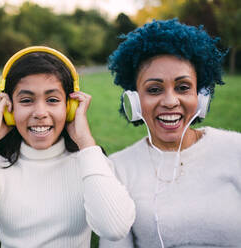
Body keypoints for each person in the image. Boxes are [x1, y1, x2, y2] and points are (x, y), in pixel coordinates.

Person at [0, 46, 135, 248]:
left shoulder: (91, 164)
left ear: (70, 108)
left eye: (52, 100)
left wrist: (86, 143)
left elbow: (115, 229)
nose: (40, 112)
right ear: (9, 109)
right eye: (26, 100)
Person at [99, 19, 241, 248]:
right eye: (154, 90)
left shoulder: (236, 150)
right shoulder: (118, 169)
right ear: (134, 101)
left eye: (183, 87)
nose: (170, 101)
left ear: (201, 96)